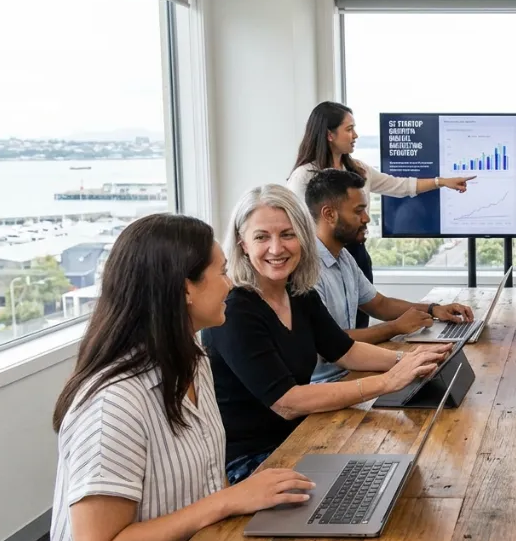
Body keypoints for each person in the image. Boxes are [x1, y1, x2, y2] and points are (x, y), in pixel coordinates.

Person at [50, 214, 317, 541]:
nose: (231, 283)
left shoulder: (194, 361)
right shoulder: (114, 402)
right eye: (222, 272)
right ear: (185, 289)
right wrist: (230, 500)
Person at [202, 184, 452, 484]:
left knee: (409, 468)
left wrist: (410, 360)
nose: (276, 248)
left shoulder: (298, 293)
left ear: (303, 238)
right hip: (253, 463)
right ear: (243, 243)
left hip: (301, 437)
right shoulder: (236, 311)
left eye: (287, 234)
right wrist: (388, 381)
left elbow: (345, 351)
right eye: (261, 237)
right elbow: (287, 402)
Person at [288, 101, 475, 329]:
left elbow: (399, 185)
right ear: (329, 134)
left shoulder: (358, 170)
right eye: (349, 129)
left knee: (359, 324)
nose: (355, 135)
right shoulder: (303, 178)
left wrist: (441, 182)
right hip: (321, 258)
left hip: (354, 254)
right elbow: (295, 226)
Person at [304, 168, 475, 382]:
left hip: (353, 371)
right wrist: (394, 328)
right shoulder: (307, 271)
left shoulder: (344, 257)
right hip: (327, 383)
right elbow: (330, 342)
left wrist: (433, 309)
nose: (366, 218)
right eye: (358, 211)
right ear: (329, 214)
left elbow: (379, 304)